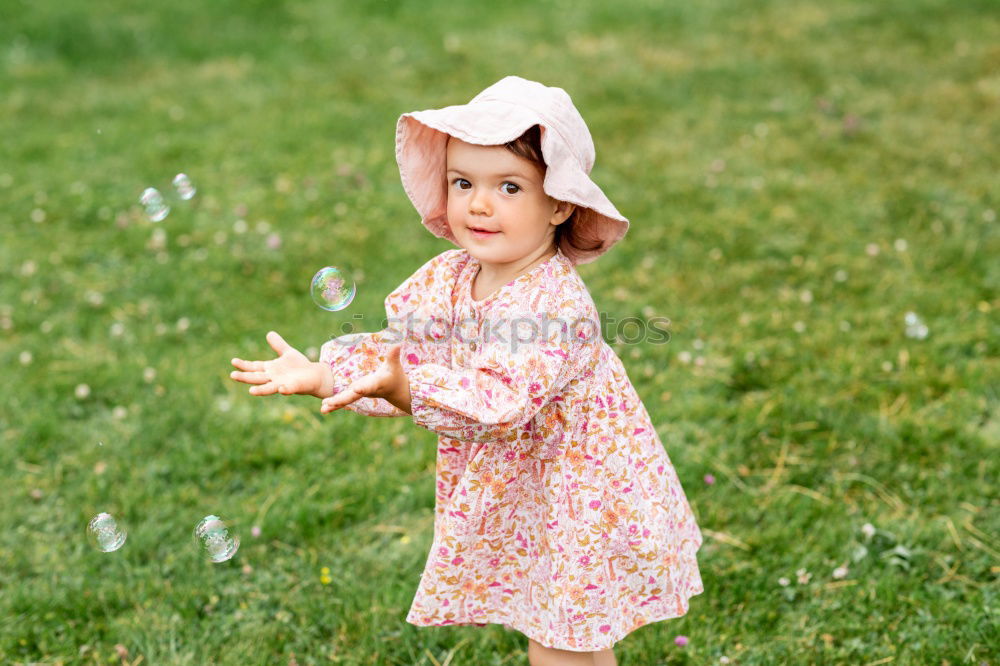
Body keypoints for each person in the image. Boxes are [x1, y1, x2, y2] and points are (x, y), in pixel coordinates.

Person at [230, 75, 703, 666]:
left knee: (565, 637)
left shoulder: (556, 306)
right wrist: (330, 374)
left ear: (559, 203)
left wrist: (409, 392)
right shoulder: (450, 277)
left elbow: (498, 401)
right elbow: (404, 351)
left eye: (508, 186)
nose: (478, 204)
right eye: (462, 183)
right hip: (529, 489)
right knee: (549, 625)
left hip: (579, 495)